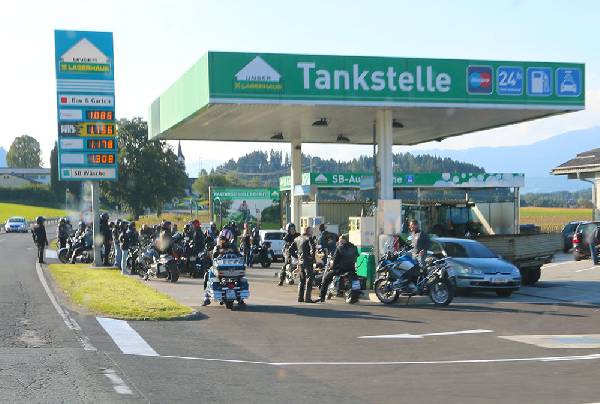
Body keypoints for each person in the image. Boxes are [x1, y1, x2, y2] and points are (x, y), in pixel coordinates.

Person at [202, 235, 240, 306]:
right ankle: (240, 300)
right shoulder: (232, 247)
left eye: (222, 240)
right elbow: (239, 255)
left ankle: (206, 297)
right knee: (240, 278)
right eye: (221, 240)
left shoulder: (218, 247)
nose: (222, 242)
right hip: (233, 270)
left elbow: (214, 258)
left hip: (222, 270)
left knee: (208, 274)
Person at [320, 234, 358, 302]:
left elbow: (335, 260)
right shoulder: (354, 247)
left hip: (341, 269)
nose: (339, 242)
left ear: (342, 241)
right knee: (355, 279)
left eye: (340, 241)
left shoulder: (339, 248)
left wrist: (332, 268)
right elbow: (356, 256)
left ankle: (322, 297)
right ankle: (355, 295)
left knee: (326, 279)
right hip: (351, 269)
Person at [289, 226, 317, 303]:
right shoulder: (309, 239)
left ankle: (300, 297)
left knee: (302, 280)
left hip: (301, 261)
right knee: (309, 279)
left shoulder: (297, 239)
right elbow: (313, 249)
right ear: (309, 232)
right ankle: (307, 298)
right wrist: (313, 257)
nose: (312, 232)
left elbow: (290, 249)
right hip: (308, 261)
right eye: (311, 231)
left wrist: (297, 256)